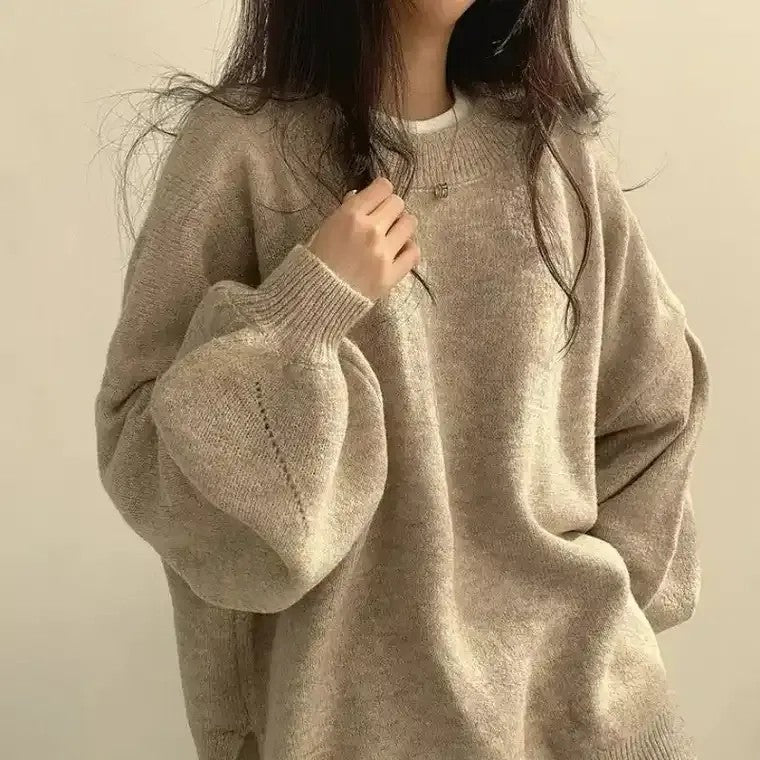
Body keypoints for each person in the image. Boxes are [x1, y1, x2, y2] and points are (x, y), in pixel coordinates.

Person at [93, 1, 710, 759]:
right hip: (341, 726)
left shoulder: (558, 155)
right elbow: (144, 456)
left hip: (586, 720)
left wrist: (602, 622)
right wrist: (308, 307)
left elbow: (656, 406)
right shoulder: (240, 151)